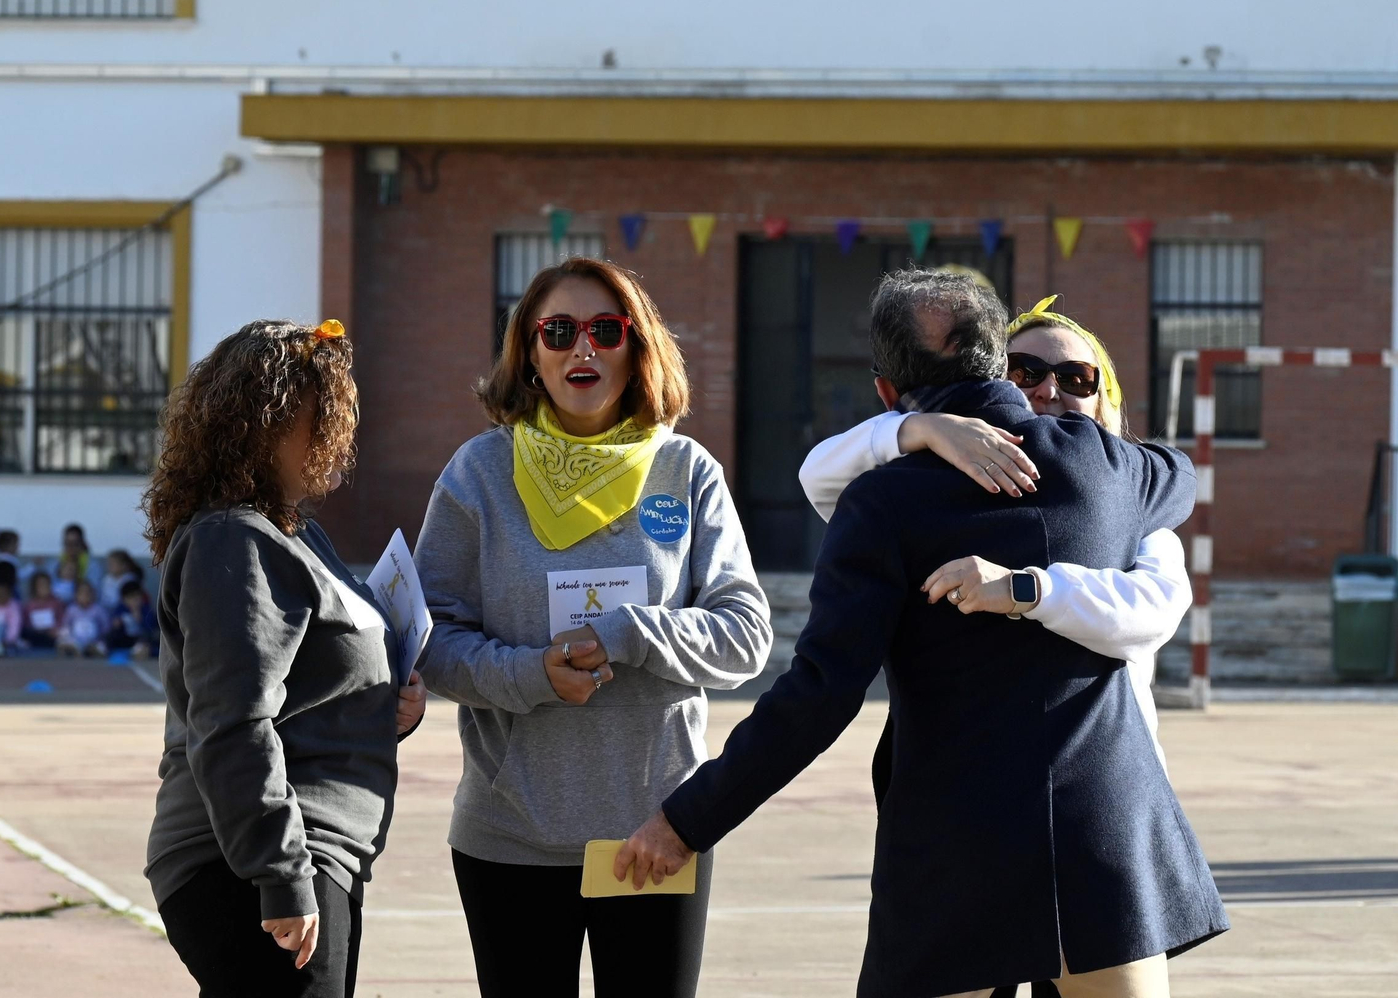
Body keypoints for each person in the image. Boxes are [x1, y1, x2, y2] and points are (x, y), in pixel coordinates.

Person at [619, 269, 1227, 998]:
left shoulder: (880, 501)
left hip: (956, 843)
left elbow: (819, 695)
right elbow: (1181, 476)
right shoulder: (1108, 465)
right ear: (1000, 364)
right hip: (1107, 834)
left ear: (884, 390)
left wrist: (689, 819)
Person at [414, 257, 773, 998]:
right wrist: (528, 675)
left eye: (607, 330)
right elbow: (429, 639)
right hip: (509, 838)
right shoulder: (478, 474)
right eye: (560, 331)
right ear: (529, 351)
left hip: (654, 834)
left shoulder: (686, 471)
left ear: (637, 348)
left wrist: (633, 632)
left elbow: (745, 638)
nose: (584, 348)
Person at [144, 318, 427, 998]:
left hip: (308, 851)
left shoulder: (296, 535)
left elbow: (309, 688)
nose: (337, 434)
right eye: (323, 414)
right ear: (263, 422)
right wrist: (279, 872)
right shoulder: (231, 541)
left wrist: (390, 706)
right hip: (249, 861)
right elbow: (231, 719)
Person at [799, 294, 1189, 769]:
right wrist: (920, 427)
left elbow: (1151, 613)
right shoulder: (933, 487)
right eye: (1025, 371)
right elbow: (818, 475)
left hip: (1105, 777)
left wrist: (1023, 588)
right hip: (961, 778)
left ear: (1104, 404)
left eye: (1075, 378)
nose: (1047, 390)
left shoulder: (1133, 500)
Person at [60, 580, 111, 658]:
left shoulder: (98, 609)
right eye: (82, 593)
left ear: (93, 595)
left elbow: (106, 627)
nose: (85, 596)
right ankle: (76, 649)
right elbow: (66, 626)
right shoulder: (71, 610)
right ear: (76, 595)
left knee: (102, 648)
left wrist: (99, 637)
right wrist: (68, 637)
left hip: (94, 641)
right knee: (62, 642)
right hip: (75, 641)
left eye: (88, 593)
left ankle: (91, 650)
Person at [109, 579, 159, 659]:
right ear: (124, 599)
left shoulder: (146, 610)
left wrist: (140, 619)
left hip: (141, 640)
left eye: (137, 597)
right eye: (131, 597)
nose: (134, 600)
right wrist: (117, 624)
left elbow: (151, 630)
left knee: (150, 644)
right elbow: (114, 627)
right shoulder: (120, 609)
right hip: (125, 640)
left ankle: (140, 652)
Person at [21, 572, 65, 650]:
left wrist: (54, 629)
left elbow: (61, 619)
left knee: (63, 633)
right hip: (35, 634)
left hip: (51, 634)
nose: (44, 587)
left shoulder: (57, 602)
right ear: (35, 587)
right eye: (40, 585)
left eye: (46, 584)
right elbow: (26, 623)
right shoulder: (29, 604)